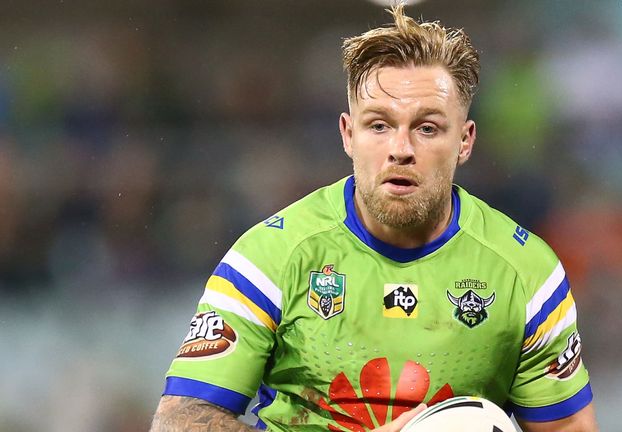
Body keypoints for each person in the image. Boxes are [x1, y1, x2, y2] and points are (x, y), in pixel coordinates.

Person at [151, 5, 598, 432]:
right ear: (348, 134)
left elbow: (568, 426)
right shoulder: (272, 257)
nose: (400, 149)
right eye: (379, 125)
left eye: (427, 128)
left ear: (464, 141)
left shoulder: (526, 273)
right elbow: (179, 421)